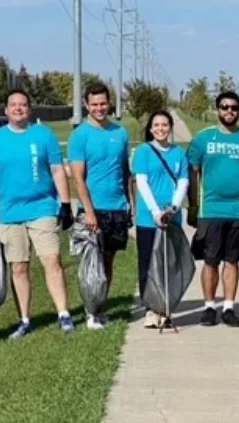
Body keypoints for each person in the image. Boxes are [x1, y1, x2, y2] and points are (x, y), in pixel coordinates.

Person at [0, 88, 77, 338]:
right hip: (9, 212)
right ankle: (24, 320)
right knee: (19, 268)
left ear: (29, 109)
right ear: (6, 110)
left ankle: (64, 314)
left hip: (42, 207)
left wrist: (65, 205)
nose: (18, 108)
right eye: (13, 104)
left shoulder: (44, 135)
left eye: (22, 104)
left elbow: (57, 170)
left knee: (52, 261)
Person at [186, 91, 239, 328]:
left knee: (232, 260)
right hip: (210, 210)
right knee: (210, 261)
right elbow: (193, 174)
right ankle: (209, 307)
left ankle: (229, 307)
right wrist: (192, 206)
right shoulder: (203, 139)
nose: (229, 111)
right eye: (224, 107)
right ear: (217, 110)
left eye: (234, 107)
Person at [67, 83, 133, 330]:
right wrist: (89, 212)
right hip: (93, 210)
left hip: (117, 207)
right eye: (94, 104)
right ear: (86, 105)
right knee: (90, 264)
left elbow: (126, 172)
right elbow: (78, 178)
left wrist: (130, 203)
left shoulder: (120, 132)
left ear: (110, 103)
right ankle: (90, 311)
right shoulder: (80, 135)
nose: (99, 108)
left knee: (108, 262)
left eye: (103, 103)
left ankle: (101, 307)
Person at [132, 110, 189, 328]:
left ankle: (166, 307)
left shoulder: (179, 153)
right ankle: (151, 308)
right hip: (149, 218)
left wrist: (173, 208)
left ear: (170, 127)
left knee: (169, 264)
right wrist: (156, 212)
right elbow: (142, 183)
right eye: (156, 125)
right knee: (148, 263)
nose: (160, 129)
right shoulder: (144, 151)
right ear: (151, 128)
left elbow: (183, 182)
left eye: (164, 125)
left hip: (172, 217)